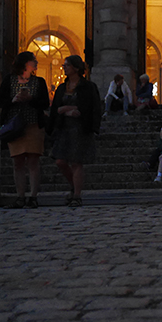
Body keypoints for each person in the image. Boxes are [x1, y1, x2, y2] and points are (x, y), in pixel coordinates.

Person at [0, 52, 50, 209]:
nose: (36, 62)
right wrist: (13, 100)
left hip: (33, 125)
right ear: (25, 63)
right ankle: (20, 196)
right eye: (33, 60)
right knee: (17, 162)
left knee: (33, 161)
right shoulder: (9, 80)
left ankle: (33, 196)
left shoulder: (39, 81)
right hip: (15, 126)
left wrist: (30, 100)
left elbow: (45, 102)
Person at [48, 55, 101, 208]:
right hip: (64, 128)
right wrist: (65, 110)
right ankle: (74, 186)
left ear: (76, 68)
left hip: (80, 128)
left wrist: (75, 111)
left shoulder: (88, 87)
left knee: (77, 162)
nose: (64, 67)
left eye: (67, 65)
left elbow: (92, 107)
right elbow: (56, 108)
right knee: (60, 161)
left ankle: (77, 195)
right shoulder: (61, 88)